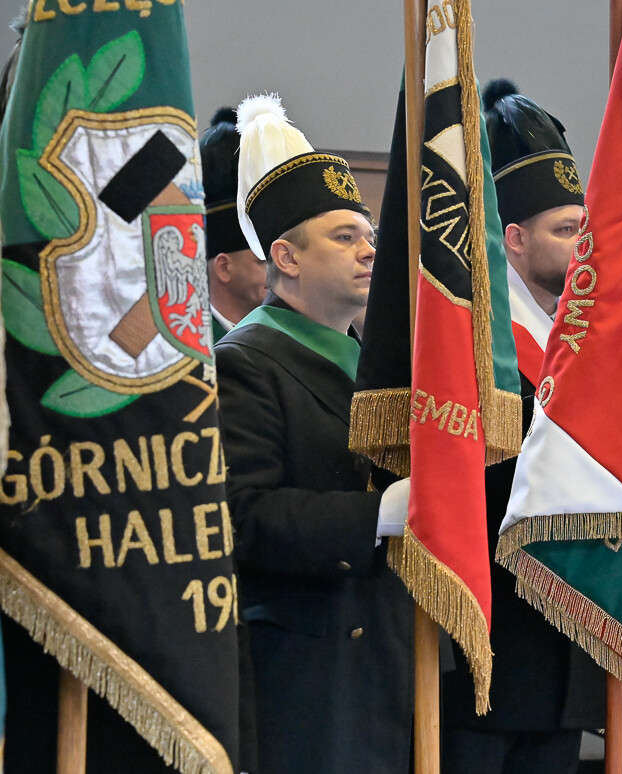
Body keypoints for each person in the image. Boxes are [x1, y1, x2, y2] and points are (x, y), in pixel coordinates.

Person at [215, 94, 413, 774]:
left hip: (383, 658)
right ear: (287, 258)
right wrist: (375, 514)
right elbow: (240, 517)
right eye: (344, 237)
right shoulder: (245, 362)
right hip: (305, 677)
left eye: (368, 235)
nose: (369, 251)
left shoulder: (372, 363)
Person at [439, 79, 605, 774]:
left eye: (586, 229)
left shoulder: (589, 343)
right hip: (491, 659)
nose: (584, 246)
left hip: (569, 663)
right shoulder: (477, 345)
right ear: (513, 238)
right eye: (566, 231)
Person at [200, 107, 267, 341]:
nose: (279, 271)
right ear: (224, 268)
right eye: (263, 261)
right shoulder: (191, 345)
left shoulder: (283, 339)